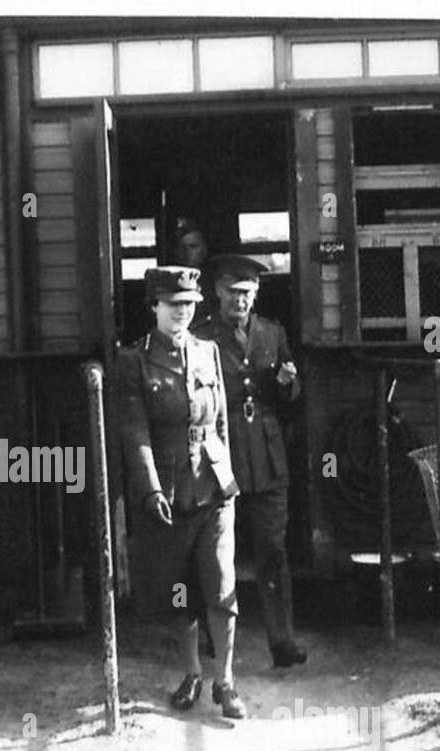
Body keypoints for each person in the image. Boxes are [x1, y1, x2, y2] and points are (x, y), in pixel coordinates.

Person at [112, 266, 246, 719]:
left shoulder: (209, 351)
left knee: (221, 585)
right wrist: (150, 489)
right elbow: (135, 432)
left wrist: (226, 479)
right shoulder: (134, 360)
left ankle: (225, 682)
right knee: (179, 593)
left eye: (188, 305)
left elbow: (221, 422)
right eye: (172, 306)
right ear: (153, 307)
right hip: (168, 495)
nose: (181, 314)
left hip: (213, 490)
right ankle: (192, 674)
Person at [192, 254, 307, 669]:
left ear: (256, 294)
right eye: (230, 292)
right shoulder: (201, 337)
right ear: (217, 293)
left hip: (267, 458)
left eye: (246, 293)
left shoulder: (272, 334)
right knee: (214, 552)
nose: (238, 300)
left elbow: (292, 399)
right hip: (221, 455)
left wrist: (286, 386)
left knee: (272, 551)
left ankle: (282, 641)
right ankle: (213, 638)